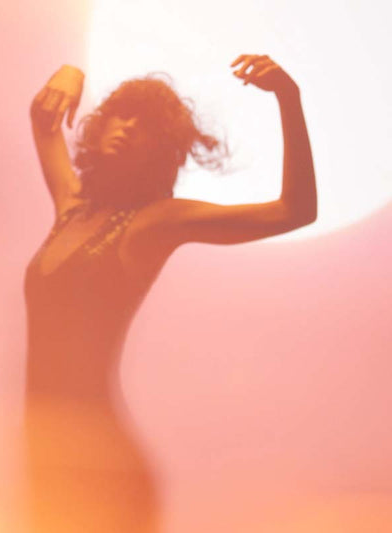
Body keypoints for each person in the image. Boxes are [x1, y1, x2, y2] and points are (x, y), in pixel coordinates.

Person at [23, 54, 316, 532]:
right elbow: (43, 120)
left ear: (160, 152)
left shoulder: (156, 223)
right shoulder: (71, 208)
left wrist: (289, 97)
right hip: (44, 455)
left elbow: (294, 211)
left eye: (147, 126)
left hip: (99, 464)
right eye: (123, 113)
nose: (129, 127)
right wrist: (71, 71)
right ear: (101, 123)